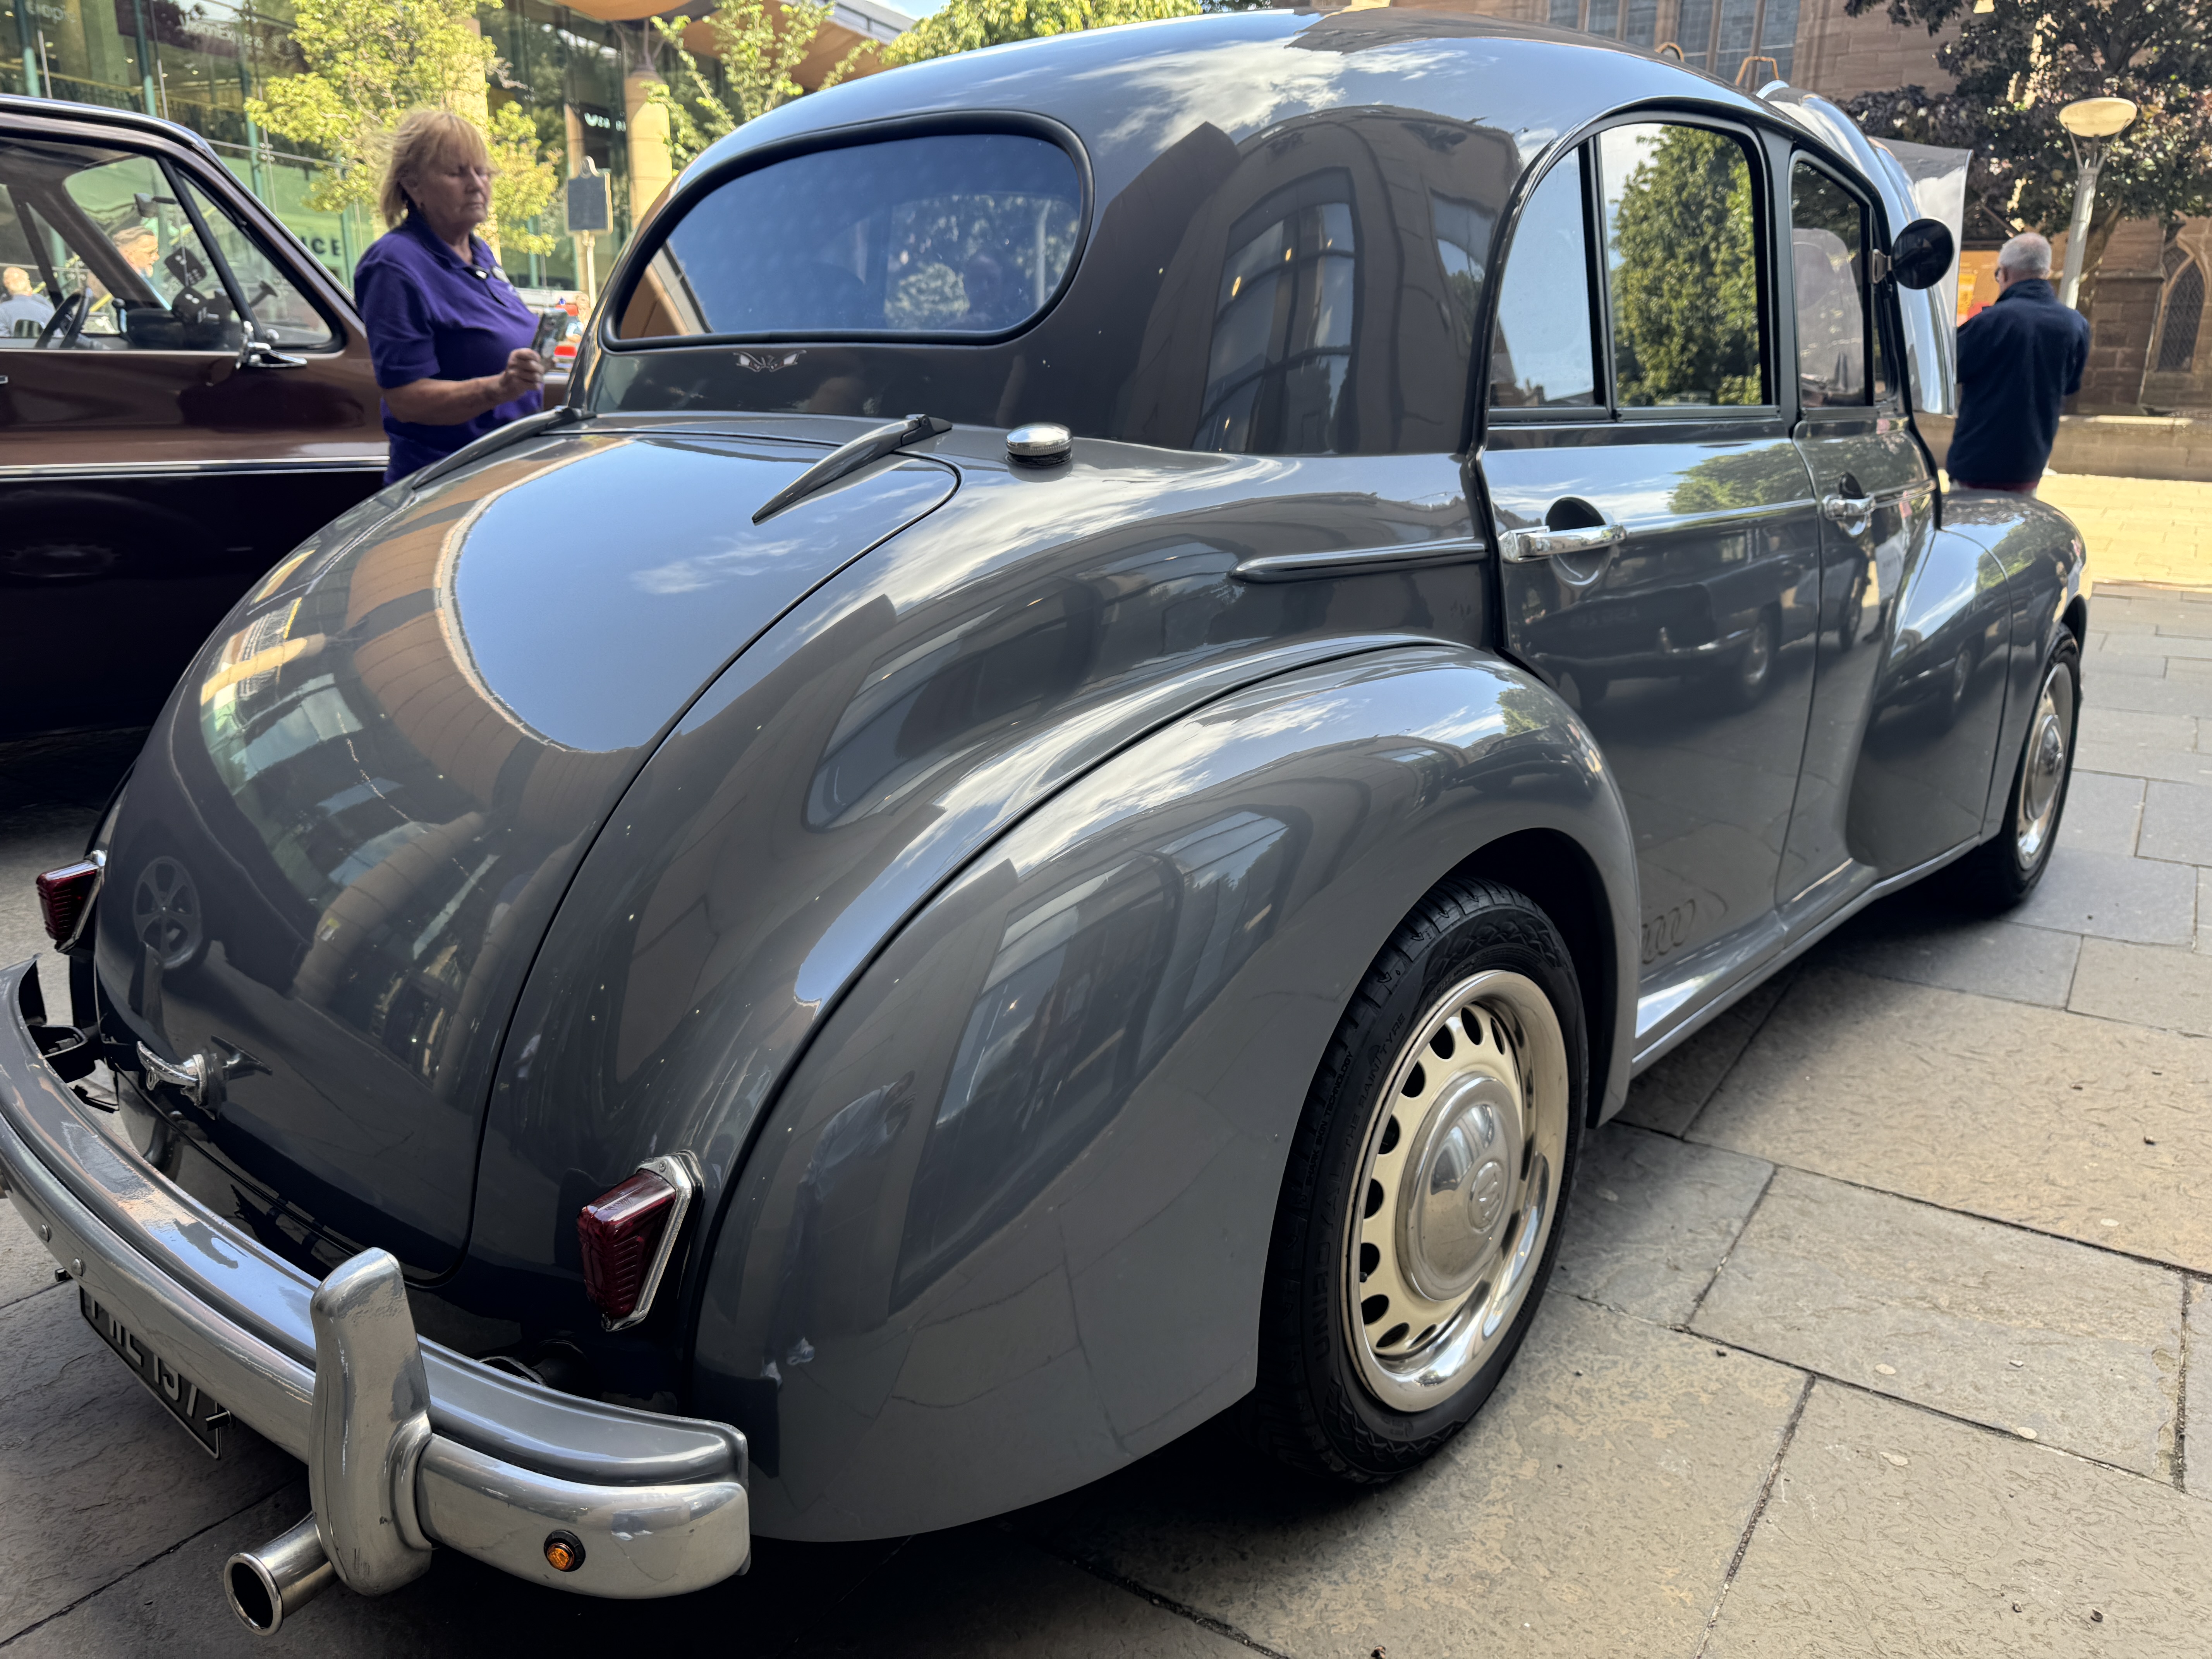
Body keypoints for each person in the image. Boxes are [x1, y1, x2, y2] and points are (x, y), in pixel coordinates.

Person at [354, 108, 544, 484]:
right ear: (413, 185)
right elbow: (407, 401)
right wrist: (499, 389)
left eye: (482, 172)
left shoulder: (480, 253)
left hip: (509, 475)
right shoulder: (394, 265)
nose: (476, 185)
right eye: (457, 173)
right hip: (450, 487)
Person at [1945, 231, 2090, 495]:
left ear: (2005, 273)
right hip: (2030, 466)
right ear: (2046, 272)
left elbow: (1946, 372)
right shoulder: (2076, 325)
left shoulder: (1988, 323)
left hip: (1976, 464)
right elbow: (2069, 386)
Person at [0, 265, 52, 335]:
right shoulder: (46, 307)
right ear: (28, 282)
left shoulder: (2, 310)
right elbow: (58, 335)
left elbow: (3, 339)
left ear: (6, 283)